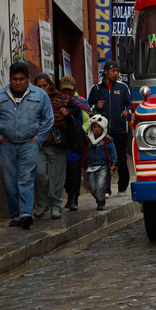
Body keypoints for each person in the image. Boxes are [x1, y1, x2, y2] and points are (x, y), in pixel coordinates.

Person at [0, 62, 54, 230]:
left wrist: (38, 139)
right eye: (14, 79)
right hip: (6, 145)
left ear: (28, 78)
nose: (18, 82)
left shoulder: (40, 95)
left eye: (21, 79)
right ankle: (15, 215)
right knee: (9, 181)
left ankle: (25, 213)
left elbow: (48, 119)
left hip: (29, 144)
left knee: (26, 179)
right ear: (9, 79)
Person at [33, 74, 79, 219]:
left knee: (56, 177)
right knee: (39, 174)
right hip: (38, 144)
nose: (42, 89)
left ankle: (55, 205)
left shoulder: (62, 98)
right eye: (39, 86)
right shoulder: (31, 99)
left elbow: (76, 110)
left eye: (44, 85)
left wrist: (68, 112)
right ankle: (42, 204)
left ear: (50, 85)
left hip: (57, 144)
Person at [88, 61, 131, 196]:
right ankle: (106, 189)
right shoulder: (96, 88)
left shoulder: (123, 88)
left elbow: (130, 105)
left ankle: (122, 187)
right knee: (104, 160)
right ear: (105, 72)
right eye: (113, 71)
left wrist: (127, 112)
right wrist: (96, 106)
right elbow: (89, 108)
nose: (115, 74)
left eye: (117, 71)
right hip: (103, 132)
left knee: (121, 159)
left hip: (120, 130)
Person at [59, 75, 90, 211]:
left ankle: (73, 199)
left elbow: (86, 121)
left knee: (75, 171)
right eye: (64, 91)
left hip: (76, 142)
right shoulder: (58, 101)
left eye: (69, 91)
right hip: (62, 142)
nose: (67, 94)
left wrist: (79, 134)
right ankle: (69, 192)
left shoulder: (81, 103)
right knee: (64, 172)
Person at [82, 115, 117, 211]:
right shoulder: (87, 139)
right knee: (92, 187)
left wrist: (114, 163)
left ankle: (101, 202)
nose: (97, 130)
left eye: (99, 128)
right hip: (90, 166)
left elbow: (112, 152)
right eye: (94, 127)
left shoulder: (108, 139)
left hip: (103, 166)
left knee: (101, 185)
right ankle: (98, 198)